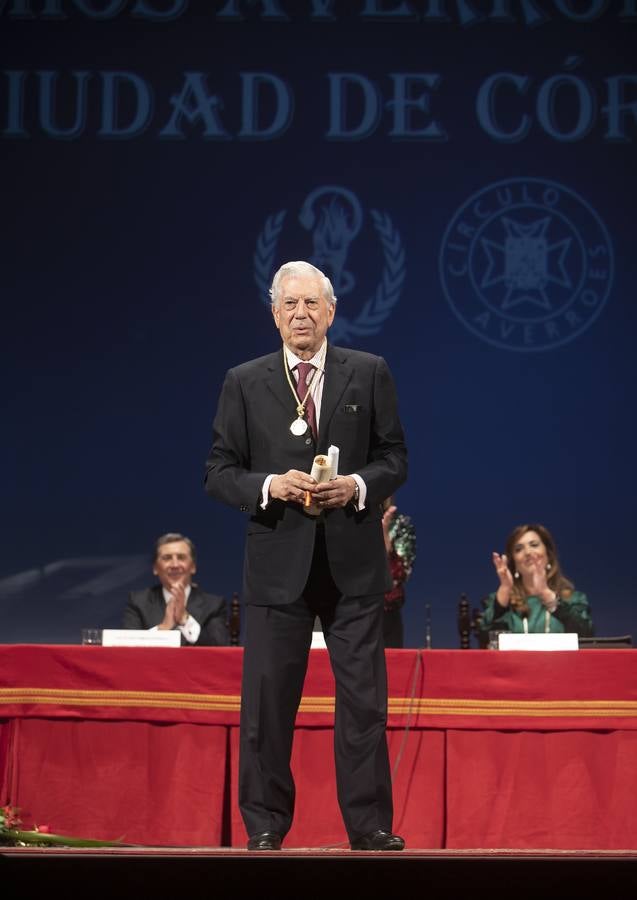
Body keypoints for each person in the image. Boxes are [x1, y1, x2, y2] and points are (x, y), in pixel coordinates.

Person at [204, 260, 408, 852]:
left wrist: (359, 487)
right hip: (276, 568)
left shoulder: (369, 373)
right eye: (289, 305)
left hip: (354, 567)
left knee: (364, 706)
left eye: (311, 304)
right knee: (267, 707)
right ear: (274, 315)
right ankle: (265, 825)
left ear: (331, 312)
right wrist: (271, 486)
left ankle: (369, 827)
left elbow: (396, 458)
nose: (300, 314)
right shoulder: (244, 381)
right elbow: (218, 473)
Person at [479, 523, 594, 642]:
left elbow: (586, 635)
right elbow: (484, 640)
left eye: (534, 545)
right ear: (514, 563)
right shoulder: (502, 602)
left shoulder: (573, 600)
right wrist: (505, 588)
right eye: (519, 549)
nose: (528, 552)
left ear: (548, 554)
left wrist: (546, 594)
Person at [122, 532, 229, 646]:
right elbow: (127, 647)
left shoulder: (213, 605)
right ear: (155, 568)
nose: (175, 564)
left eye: (181, 557)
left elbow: (219, 647)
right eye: (167, 558)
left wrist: (185, 619)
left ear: (193, 566)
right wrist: (164, 628)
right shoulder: (138, 602)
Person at [381, 497, 416, 648]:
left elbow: (401, 573)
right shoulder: (348, 520)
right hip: (350, 611)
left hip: (387, 611)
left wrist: (384, 536)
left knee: (391, 667)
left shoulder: (400, 523)